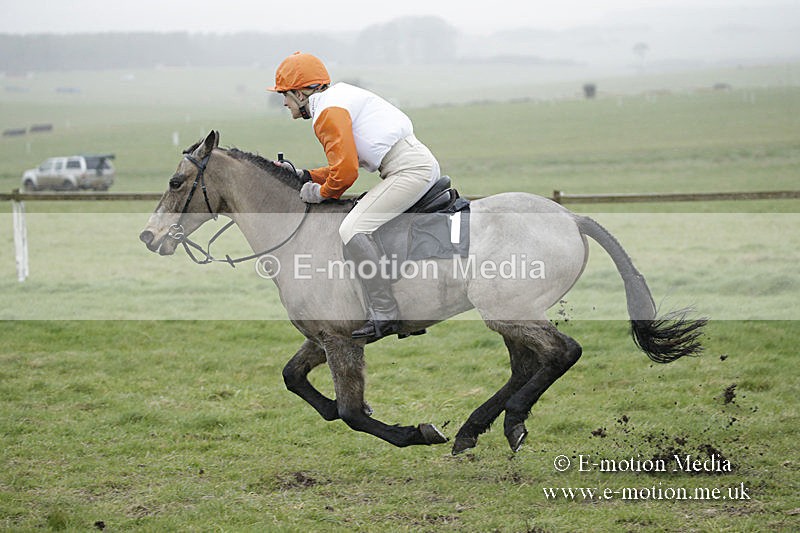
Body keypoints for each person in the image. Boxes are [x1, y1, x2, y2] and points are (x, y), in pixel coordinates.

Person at [268, 52, 442, 340]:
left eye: (284, 95)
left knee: (352, 228)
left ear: (300, 93)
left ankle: (386, 312)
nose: (284, 103)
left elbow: (346, 174)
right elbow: (342, 166)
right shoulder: (338, 97)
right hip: (412, 164)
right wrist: (305, 175)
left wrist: (320, 193)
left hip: (409, 171)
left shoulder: (327, 113)